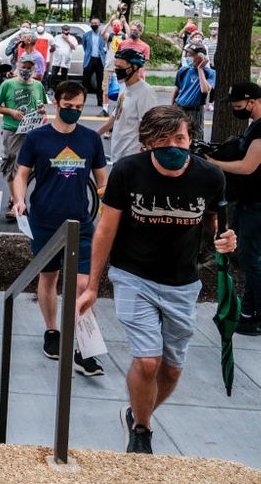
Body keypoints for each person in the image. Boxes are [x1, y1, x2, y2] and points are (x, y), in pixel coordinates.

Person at [78, 105, 235, 454]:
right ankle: (142, 430)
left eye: (180, 138)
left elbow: (214, 228)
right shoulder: (128, 172)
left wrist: (225, 240)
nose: (174, 146)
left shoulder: (210, 177)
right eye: (163, 140)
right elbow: (106, 228)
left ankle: (136, 411)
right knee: (148, 360)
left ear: (191, 138)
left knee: (171, 371)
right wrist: (92, 285)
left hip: (182, 282)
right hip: (133, 275)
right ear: (147, 143)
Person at [12, 80, 108, 375]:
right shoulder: (37, 138)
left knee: (82, 285)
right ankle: (52, 331)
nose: (74, 112)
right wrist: (19, 200)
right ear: (56, 103)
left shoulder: (90, 139)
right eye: (69, 107)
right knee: (49, 277)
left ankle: (85, 348)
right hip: (45, 220)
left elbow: (102, 179)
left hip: (81, 221)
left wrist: (105, 205)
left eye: (79, 108)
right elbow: (22, 174)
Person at [204, 82, 261, 336]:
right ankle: (248, 311)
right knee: (248, 258)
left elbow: (248, 166)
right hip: (248, 203)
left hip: (257, 207)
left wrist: (213, 163)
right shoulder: (254, 125)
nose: (235, 109)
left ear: (252, 101)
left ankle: (258, 314)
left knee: (253, 260)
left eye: (238, 105)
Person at [0, 55, 47, 220]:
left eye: (30, 67)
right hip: (13, 130)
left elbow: (42, 105)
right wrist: (11, 112)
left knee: (28, 167)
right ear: (17, 66)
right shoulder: (8, 84)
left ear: (34, 68)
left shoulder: (38, 85)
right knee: (11, 165)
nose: (26, 70)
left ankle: (17, 199)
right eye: (24, 66)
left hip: (33, 131)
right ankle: (17, 201)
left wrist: (41, 111)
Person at [98, 49, 156, 163]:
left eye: (120, 67)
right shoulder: (124, 87)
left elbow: (147, 127)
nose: (117, 70)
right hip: (118, 151)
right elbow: (116, 116)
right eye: (116, 66)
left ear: (134, 68)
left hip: (132, 157)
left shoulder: (145, 92)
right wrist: (95, 134)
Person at [171, 42, 214, 138]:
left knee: (195, 137)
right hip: (179, 108)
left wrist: (200, 69)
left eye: (191, 55)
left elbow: (205, 90)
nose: (188, 57)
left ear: (200, 56)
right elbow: (177, 90)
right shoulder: (183, 70)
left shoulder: (209, 73)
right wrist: (171, 107)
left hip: (194, 111)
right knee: (177, 135)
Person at [81, 17, 108, 115]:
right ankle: (82, 100)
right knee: (85, 81)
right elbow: (85, 46)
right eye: (92, 23)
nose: (94, 24)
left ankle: (100, 100)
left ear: (99, 24)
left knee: (100, 80)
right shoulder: (86, 35)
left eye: (96, 23)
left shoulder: (103, 35)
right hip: (90, 59)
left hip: (100, 60)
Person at [47, 25, 76, 92]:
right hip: (57, 59)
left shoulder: (72, 38)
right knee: (54, 74)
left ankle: (63, 89)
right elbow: (52, 47)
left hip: (66, 60)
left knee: (64, 75)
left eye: (67, 30)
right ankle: (51, 88)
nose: (65, 31)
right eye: (64, 30)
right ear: (62, 30)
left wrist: (67, 40)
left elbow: (74, 47)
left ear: (69, 30)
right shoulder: (57, 37)